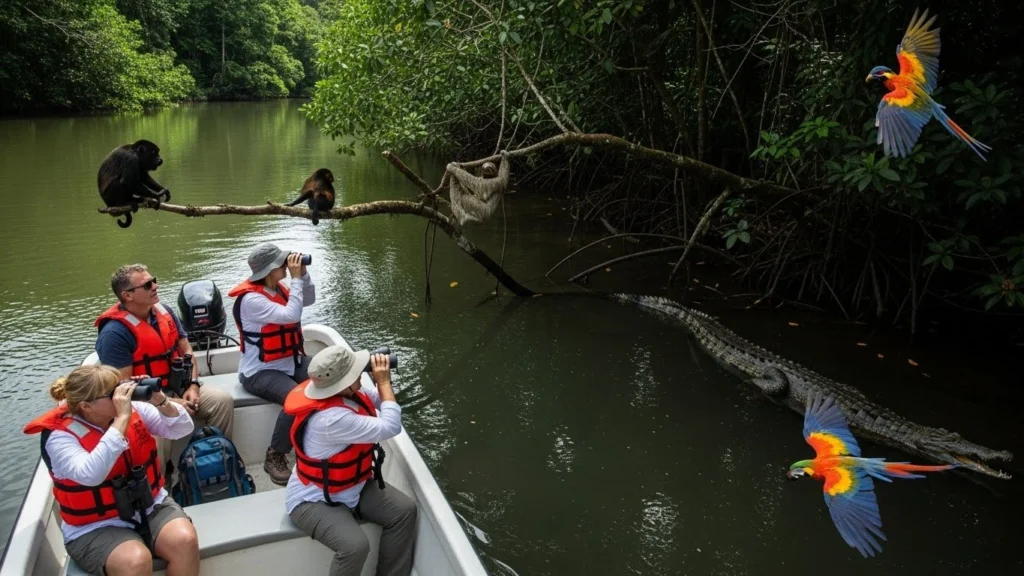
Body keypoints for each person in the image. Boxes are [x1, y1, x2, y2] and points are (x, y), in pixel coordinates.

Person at [23, 365, 199, 576]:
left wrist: (160, 400)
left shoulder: (135, 409)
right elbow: (91, 474)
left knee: (184, 540)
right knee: (135, 561)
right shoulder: (60, 437)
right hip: (94, 526)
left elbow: (181, 428)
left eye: (119, 387)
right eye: (112, 393)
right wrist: (122, 419)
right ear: (87, 406)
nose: (121, 395)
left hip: (149, 506)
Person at [283, 346, 417, 576]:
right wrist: (384, 382)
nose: (360, 374)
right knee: (355, 546)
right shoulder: (331, 419)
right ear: (342, 384)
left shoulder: (347, 393)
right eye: (356, 371)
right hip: (312, 500)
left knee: (403, 511)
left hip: (351, 486)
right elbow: (391, 425)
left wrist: (378, 378)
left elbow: (380, 401)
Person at [95, 264, 234, 458]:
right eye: (147, 285)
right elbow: (122, 387)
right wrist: (169, 402)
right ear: (127, 296)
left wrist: (193, 386)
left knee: (221, 402)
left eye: (154, 281)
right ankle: (163, 481)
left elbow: (186, 350)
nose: (155, 286)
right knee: (154, 431)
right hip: (146, 400)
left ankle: (217, 459)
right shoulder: (114, 333)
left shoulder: (164, 311)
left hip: (180, 386)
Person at [228, 243, 316, 484]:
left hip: (290, 360)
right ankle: (275, 454)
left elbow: (307, 300)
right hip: (260, 371)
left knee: (329, 378)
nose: (287, 265)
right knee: (296, 398)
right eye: (282, 263)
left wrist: (303, 276)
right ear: (269, 269)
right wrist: (297, 279)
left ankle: (318, 444)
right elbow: (291, 316)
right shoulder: (251, 300)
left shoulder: (279, 288)